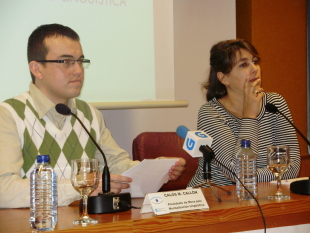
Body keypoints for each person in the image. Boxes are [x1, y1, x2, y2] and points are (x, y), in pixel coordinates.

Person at [0, 24, 185, 208]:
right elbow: (4, 191)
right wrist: (79, 187)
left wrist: (156, 169)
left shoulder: (88, 114)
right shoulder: (9, 115)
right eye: (65, 61)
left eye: (80, 61)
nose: (78, 70)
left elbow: (114, 165)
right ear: (37, 69)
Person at [188, 39, 300, 188]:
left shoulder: (274, 103)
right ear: (223, 78)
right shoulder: (210, 112)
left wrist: (250, 176)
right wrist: (249, 117)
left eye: (255, 61)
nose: (254, 68)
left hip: (261, 194)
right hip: (217, 197)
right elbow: (235, 172)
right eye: (243, 65)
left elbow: (292, 166)